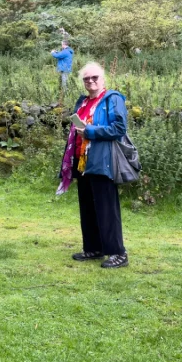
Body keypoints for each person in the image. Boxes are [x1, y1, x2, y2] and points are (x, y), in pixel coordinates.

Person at [56, 61, 129, 269]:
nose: (90, 81)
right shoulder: (82, 101)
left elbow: (119, 128)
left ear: (102, 78)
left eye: (94, 77)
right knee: (88, 207)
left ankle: (118, 253)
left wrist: (90, 131)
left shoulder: (112, 99)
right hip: (81, 160)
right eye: (86, 79)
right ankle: (94, 248)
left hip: (103, 160)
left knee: (107, 208)